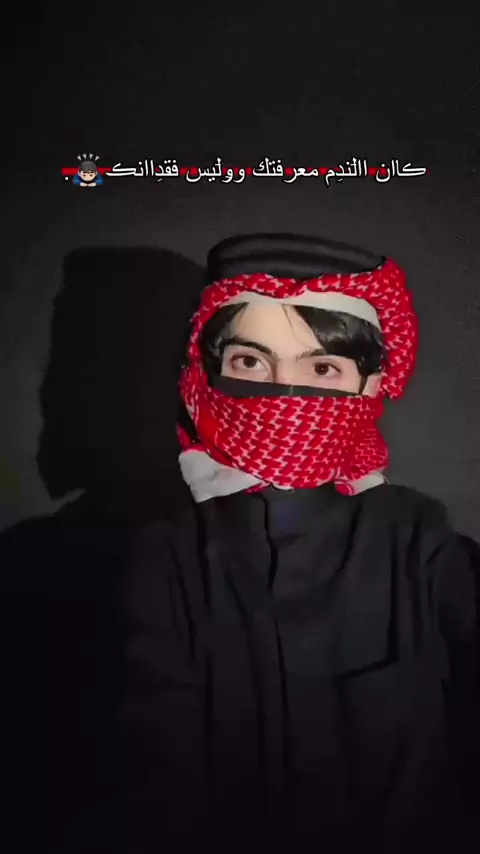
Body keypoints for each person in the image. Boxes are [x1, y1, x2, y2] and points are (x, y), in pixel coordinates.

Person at [1, 233, 478, 849]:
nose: (284, 393)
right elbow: (141, 775)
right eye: (251, 363)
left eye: (323, 369)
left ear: (369, 386)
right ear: (211, 373)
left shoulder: (424, 547)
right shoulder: (161, 558)